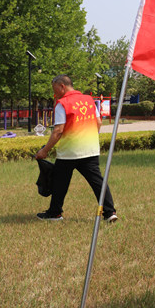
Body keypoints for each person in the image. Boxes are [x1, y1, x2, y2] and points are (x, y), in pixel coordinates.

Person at [35, 75, 117, 223]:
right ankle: (110, 212)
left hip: (70, 152)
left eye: (55, 90)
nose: (54, 93)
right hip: (90, 149)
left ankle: (55, 213)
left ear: (62, 86)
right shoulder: (89, 100)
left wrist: (44, 151)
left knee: (60, 182)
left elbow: (58, 131)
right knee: (97, 182)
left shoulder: (62, 104)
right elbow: (98, 122)